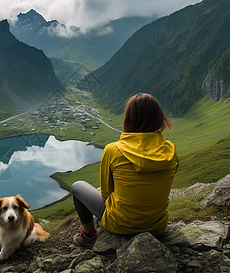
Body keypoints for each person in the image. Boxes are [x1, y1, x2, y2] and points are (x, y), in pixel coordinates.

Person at [72, 93, 179, 246]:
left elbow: (107, 194)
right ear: (158, 118)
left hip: (120, 225)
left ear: (129, 118)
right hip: (157, 226)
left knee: (77, 187)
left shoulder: (113, 150)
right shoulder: (170, 150)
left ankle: (88, 235)